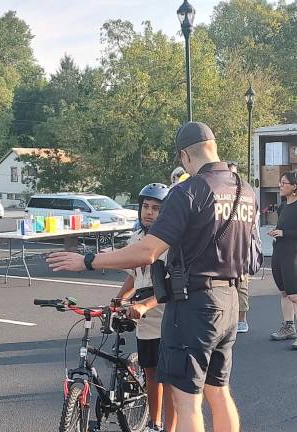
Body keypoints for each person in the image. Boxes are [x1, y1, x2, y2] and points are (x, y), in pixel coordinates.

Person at [47, 121, 258, 432]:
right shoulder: (244, 189)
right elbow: (253, 256)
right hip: (229, 300)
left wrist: (89, 260)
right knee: (219, 391)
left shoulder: (189, 190)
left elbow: (147, 251)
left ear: (185, 155)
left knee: (188, 401)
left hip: (194, 305)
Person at [115, 182, 176, 432]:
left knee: (168, 378)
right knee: (150, 373)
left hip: (164, 312)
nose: (149, 212)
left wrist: (145, 305)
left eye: (156, 208)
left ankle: (170, 428)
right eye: (145, 206)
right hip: (143, 314)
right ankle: (155, 423)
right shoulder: (138, 237)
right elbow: (134, 274)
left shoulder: (170, 239)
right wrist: (118, 299)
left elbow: (172, 284)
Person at [268, 171, 297, 349]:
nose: (280, 185)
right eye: (280, 182)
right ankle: (289, 327)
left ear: (294, 187)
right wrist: (277, 232)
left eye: (284, 183)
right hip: (279, 252)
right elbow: (283, 227)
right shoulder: (282, 206)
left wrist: (284, 233)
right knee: (285, 292)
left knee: (295, 294)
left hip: (293, 254)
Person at [227, 161, 250, 333]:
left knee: (241, 285)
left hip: (241, 248)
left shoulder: (246, 192)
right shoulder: (220, 193)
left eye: (233, 172)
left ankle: (242, 320)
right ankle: (228, 320)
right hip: (224, 249)